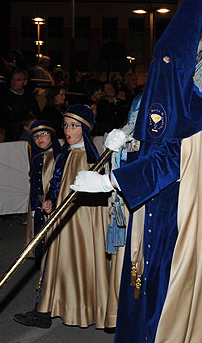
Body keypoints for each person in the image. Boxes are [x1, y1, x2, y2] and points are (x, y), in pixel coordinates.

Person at [71, 0, 202, 343]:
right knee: (138, 282)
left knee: (162, 285)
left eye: (169, 63)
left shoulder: (197, 109)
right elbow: (151, 143)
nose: (161, 69)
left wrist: (112, 183)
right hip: (146, 205)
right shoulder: (160, 94)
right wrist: (125, 143)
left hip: (176, 209)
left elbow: (174, 159)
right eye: (158, 61)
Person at [13, 104, 122, 331]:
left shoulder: (93, 159)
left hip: (84, 222)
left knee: (85, 260)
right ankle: (44, 310)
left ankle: (102, 312)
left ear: (85, 128)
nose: (68, 130)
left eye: (74, 126)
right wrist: (52, 199)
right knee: (56, 263)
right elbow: (56, 182)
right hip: (63, 219)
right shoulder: (65, 154)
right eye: (65, 125)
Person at [24, 120, 61, 264]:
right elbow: (33, 185)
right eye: (36, 136)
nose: (40, 139)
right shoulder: (36, 159)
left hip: (53, 203)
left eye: (43, 134)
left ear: (51, 135)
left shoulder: (59, 157)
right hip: (39, 203)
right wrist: (34, 205)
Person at [0, 68, 40, 141]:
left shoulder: (30, 97)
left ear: (25, 82)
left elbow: (37, 115)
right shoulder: (3, 97)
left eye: (18, 80)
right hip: (12, 137)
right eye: (13, 79)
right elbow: (3, 121)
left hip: (30, 136)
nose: (14, 82)